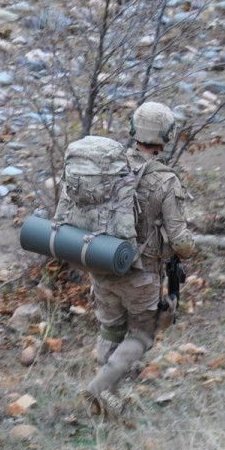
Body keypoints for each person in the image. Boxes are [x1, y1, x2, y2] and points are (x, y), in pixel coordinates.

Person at [82, 102, 196, 416]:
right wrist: (188, 250)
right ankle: (100, 388)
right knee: (142, 334)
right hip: (141, 273)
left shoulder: (108, 166)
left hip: (101, 261)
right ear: (167, 136)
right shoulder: (165, 180)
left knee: (110, 329)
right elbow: (181, 241)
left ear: (134, 130)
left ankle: (106, 399)